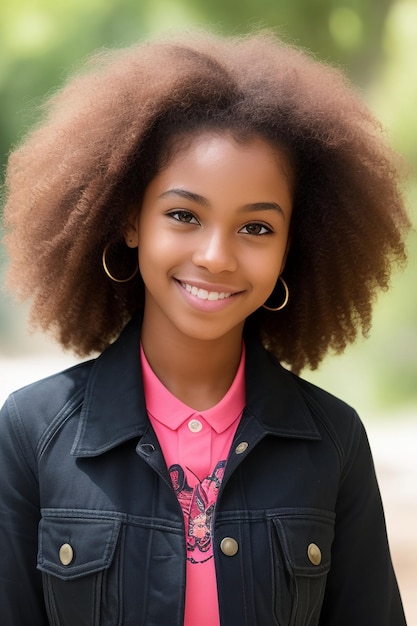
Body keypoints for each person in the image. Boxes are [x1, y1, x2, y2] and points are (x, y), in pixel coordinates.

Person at [0, 30, 410, 626]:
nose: (216, 256)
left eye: (257, 228)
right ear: (129, 219)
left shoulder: (334, 441)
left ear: (296, 243)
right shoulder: (32, 433)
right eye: (184, 215)